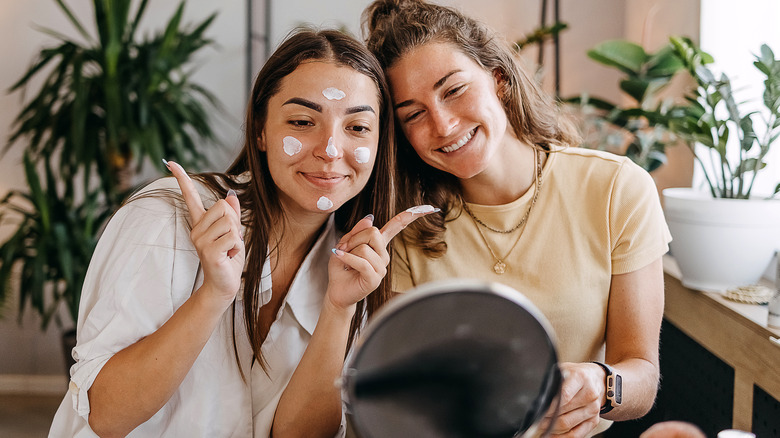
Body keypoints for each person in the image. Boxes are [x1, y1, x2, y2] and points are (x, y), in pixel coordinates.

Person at [49, 28, 434, 438]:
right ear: (259, 132)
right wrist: (213, 294)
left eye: (357, 128)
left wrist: (338, 310)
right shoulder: (165, 216)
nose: (330, 150)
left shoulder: (357, 264)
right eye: (303, 121)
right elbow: (107, 416)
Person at [362, 1, 672, 436]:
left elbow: (641, 376)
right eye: (414, 114)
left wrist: (601, 385)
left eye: (453, 90)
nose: (444, 124)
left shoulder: (617, 189)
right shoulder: (406, 225)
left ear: (499, 80)